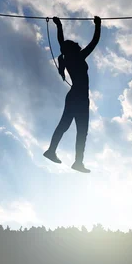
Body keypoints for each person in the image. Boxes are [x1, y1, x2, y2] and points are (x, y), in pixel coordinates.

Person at [43, 15, 101, 173]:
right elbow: (94, 42)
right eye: (76, 44)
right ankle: (77, 162)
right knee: (81, 131)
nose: (78, 44)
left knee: (66, 125)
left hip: (75, 95)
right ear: (73, 49)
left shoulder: (68, 58)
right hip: (80, 97)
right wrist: (98, 25)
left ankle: (53, 151)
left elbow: (61, 42)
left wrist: (59, 25)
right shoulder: (78, 56)